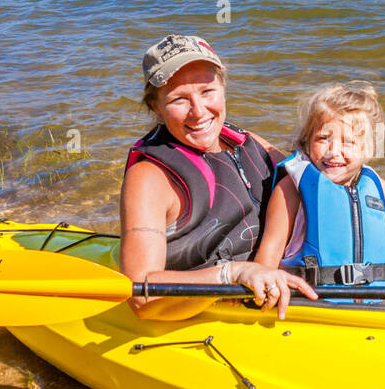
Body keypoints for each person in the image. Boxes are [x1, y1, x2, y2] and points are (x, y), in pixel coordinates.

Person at [119, 35, 318, 319]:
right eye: (179, 99)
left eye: (207, 91)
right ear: (156, 107)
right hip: (216, 310)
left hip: (281, 287)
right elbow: (141, 294)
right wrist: (233, 273)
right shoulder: (150, 178)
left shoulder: (247, 142)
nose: (198, 111)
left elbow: (319, 176)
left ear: (223, 87)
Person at [253, 81, 385, 292]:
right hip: (311, 307)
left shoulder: (381, 189)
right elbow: (264, 265)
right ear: (306, 140)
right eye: (322, 138)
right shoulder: (291, 191)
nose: (333, 151)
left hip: (379, 304)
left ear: (369, 147)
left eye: (348, 142)